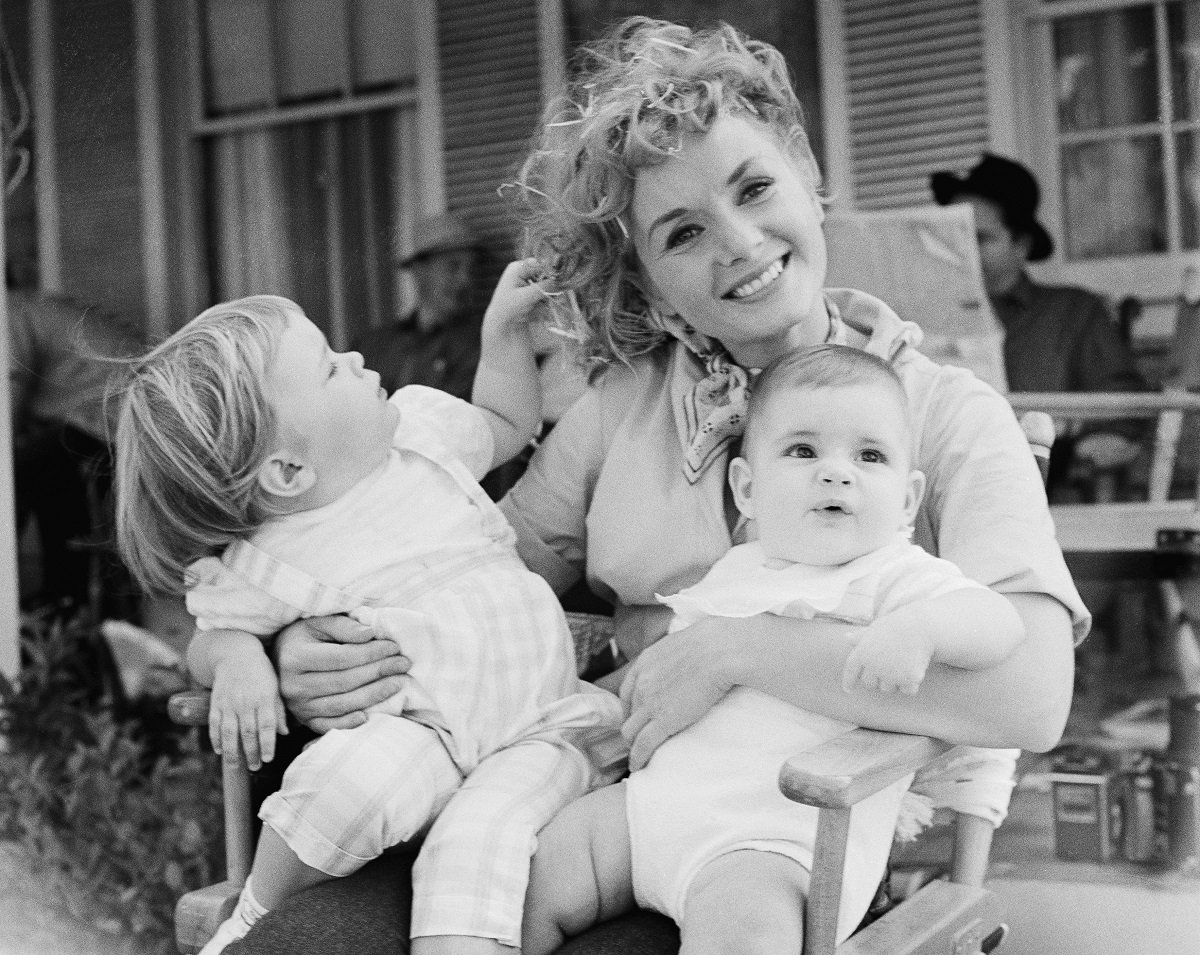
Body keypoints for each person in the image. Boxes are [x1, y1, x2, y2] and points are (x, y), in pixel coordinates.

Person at [228, 19, 1086, 955]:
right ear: (646, 276)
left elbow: (1033, 690)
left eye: (756, 188)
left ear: (804, 169)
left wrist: (734, 651)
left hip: (774, 849)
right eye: (683, 232)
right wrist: (297, 640)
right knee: (305, 941)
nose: (741, 243)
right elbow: (461, 574)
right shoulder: (622, 405)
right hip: (572, 808)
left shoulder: (943, 415)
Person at [113, 288, 625, 955]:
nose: (355, 355)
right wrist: (237, 661)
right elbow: (213, 630)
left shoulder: (421, 436)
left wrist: (503, 337)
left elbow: (503, 418)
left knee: (475, 848)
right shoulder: (272, 555)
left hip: (538, 726)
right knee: (345, 782)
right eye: (330, 366)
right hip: (422, 736)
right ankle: (252, 914)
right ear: (288, 471)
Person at [522, 344, 1025, 954]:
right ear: (748, 489)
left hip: (772, 844)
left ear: (908, 500)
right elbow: (661, 672)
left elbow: (1000, 624)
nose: (836, 472)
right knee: (532, 874)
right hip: (644, 813)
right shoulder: (736, 571)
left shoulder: (896, 577)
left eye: (869, 455)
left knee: (745, 935)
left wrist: (921, 630)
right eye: (803, 451)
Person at [930, 152, 1148, 497]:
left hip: (1044, 495)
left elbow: (1126, 406)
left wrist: (1081, 448)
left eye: (980, 238)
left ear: (1022, 244)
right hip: (938, 490)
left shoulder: (1074, 311)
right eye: (951, 238)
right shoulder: (920, 318)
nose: (963, 252)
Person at [7, 281, 141, 610]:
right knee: (49, 471)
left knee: (24, 471)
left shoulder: (9, 313)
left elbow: (5, 414)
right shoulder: (29, 305)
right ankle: (66, 600)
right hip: (115, 419)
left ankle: (62, 601)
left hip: (120, 416)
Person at [352, 212, 485, 401]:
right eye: (453, 266)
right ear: (419, 270)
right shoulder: (374, 345)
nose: (466, 280)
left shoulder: (478, 343)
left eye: (471, 270)